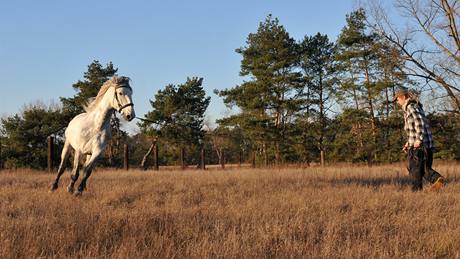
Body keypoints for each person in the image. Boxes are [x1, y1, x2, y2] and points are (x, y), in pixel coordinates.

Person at [393, 87, 445, 191]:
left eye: (397, 99)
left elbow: (419, 123)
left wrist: (419, 139)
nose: (397, 102)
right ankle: (436, 180)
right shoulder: (414, 107)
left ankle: (418, 192)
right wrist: (408, 143)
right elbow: (413, 129)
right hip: (424, 145)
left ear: (403, 97)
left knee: (415, 171)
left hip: (420, 146)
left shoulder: (411, 107)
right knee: (423, 170)